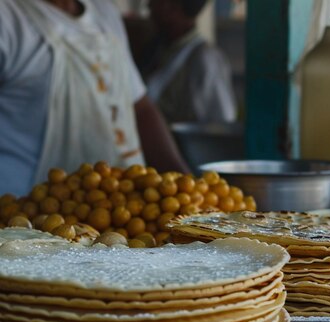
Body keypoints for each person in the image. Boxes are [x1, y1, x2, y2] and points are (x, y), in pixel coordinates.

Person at [0, 0, 190, 196]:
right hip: (24, 215)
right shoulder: (8, 17)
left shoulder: (103, 10)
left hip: (123, 208)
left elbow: (139, 108)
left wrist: (185, 185)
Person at [141, 0, 237, 124]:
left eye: (156, 2)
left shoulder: (206, 59)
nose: (149, 6)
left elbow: (221, 123)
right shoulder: (155, 50)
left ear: (173, 7)